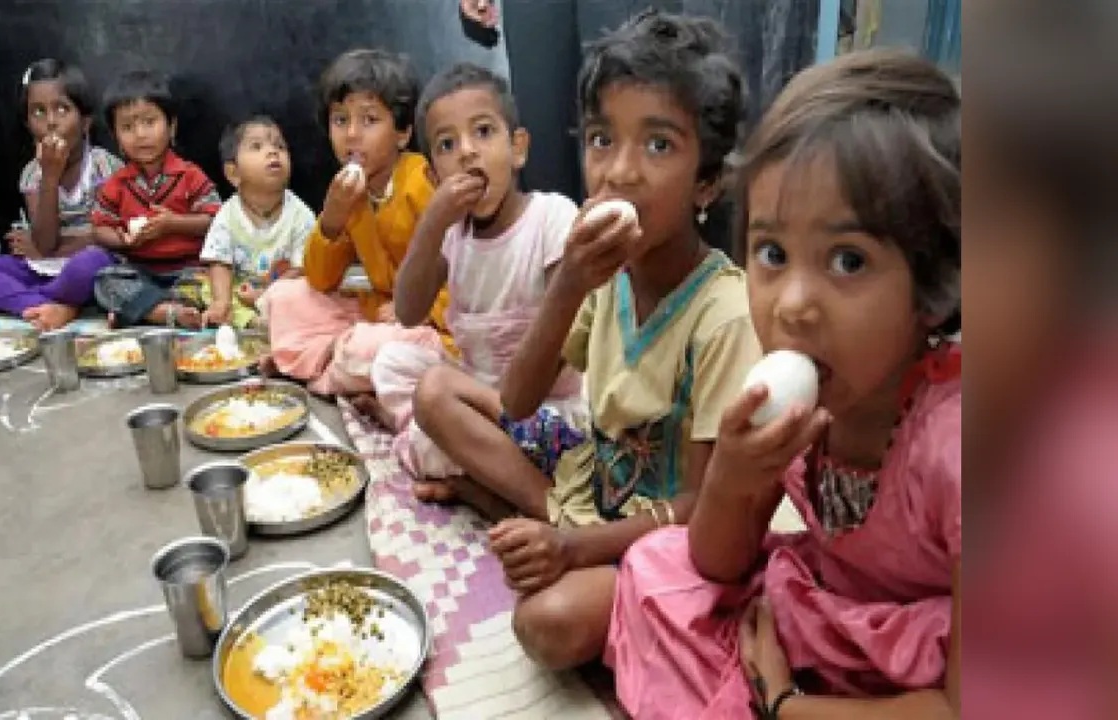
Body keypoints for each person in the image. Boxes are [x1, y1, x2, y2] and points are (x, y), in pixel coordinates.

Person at [605, 48, 962, 719]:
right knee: (656, 564)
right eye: (771, 253)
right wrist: (736, 478)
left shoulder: (961, 444)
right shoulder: (803, 394)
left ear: (935, 289)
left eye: (849, 260)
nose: (792, 305)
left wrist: (786, 703)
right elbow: (717, 564)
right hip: (828, 627)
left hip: (929, 681)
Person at [416, 10, 759, 667]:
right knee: (435, 391)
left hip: (668, 529)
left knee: (546, 622)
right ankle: (543, 520)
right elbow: (516, 402)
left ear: (708, 181)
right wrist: (570, 283)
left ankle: (536, 525)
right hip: (591, 470)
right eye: (602, 139)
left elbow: (700, 506)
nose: (618, 172)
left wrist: (572, 552)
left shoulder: (724, 315)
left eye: (658, 145)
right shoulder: (605, 275)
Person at [366, 63, 585, 501]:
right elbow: (409, 310)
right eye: (447, 144)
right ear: (433, 176)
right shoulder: (452, 234)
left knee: (431, 425)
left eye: (483, 132)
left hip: (544, 409)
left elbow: (568, 340)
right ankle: (478, 461)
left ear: (517, 148)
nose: (467, 152)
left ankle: (494, 489)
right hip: (474, 392)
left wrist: (486, 409)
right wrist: (431, 224)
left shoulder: (552, 218)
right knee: (390, 362)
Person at [260, 49, 449, 396]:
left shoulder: (422, 180)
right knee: (283, 297)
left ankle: (327, 366)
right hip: (377, 314)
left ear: (403, 132)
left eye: (369, 120)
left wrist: (421, 310)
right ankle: (340, 360)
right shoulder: (350, 189)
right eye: (340, 120)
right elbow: (320, 279)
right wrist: (332, 218)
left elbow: (462, 268)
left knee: (367, 350)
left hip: (435, 327)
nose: (352, 134)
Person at [0, 59, 124, 330]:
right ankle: (59, 307)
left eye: (62, 109)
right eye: (38, 112)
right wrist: (50, 178)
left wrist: (56, 247)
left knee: (91, 264)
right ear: (28, 124)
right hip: (44, 270)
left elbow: (111, 237)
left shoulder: (103, 166)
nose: (51, 122)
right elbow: (45, 243)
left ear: (85, 122)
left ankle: (42, 305)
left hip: (88, 268)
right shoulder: (33, 173)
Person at [89, 70, 222, 328]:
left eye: (150, 122)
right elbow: (99, 229)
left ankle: (145, 310)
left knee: (209, 285)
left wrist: (173, 224)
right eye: (127, 127)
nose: (140, 134)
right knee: (105, 282)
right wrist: (122, 239)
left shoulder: (189, 175)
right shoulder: (117, 183)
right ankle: (162, 311)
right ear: (116, 137)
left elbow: (215, 220)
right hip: (141, 270)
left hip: (188, 269)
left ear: (171, 126)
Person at [185, 116, 316, 331]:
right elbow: (220, 262)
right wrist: (222, 302)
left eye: (280, 146)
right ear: (233, 173)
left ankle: (266, 321)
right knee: (207, 288)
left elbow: (302, 268)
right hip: (240, 293)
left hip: (282, 291)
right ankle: (249, 321)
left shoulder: (300, 214)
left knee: (309, 291)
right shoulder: (227, 214)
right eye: (257, 146)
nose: (273, 152)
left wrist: (268, 293)